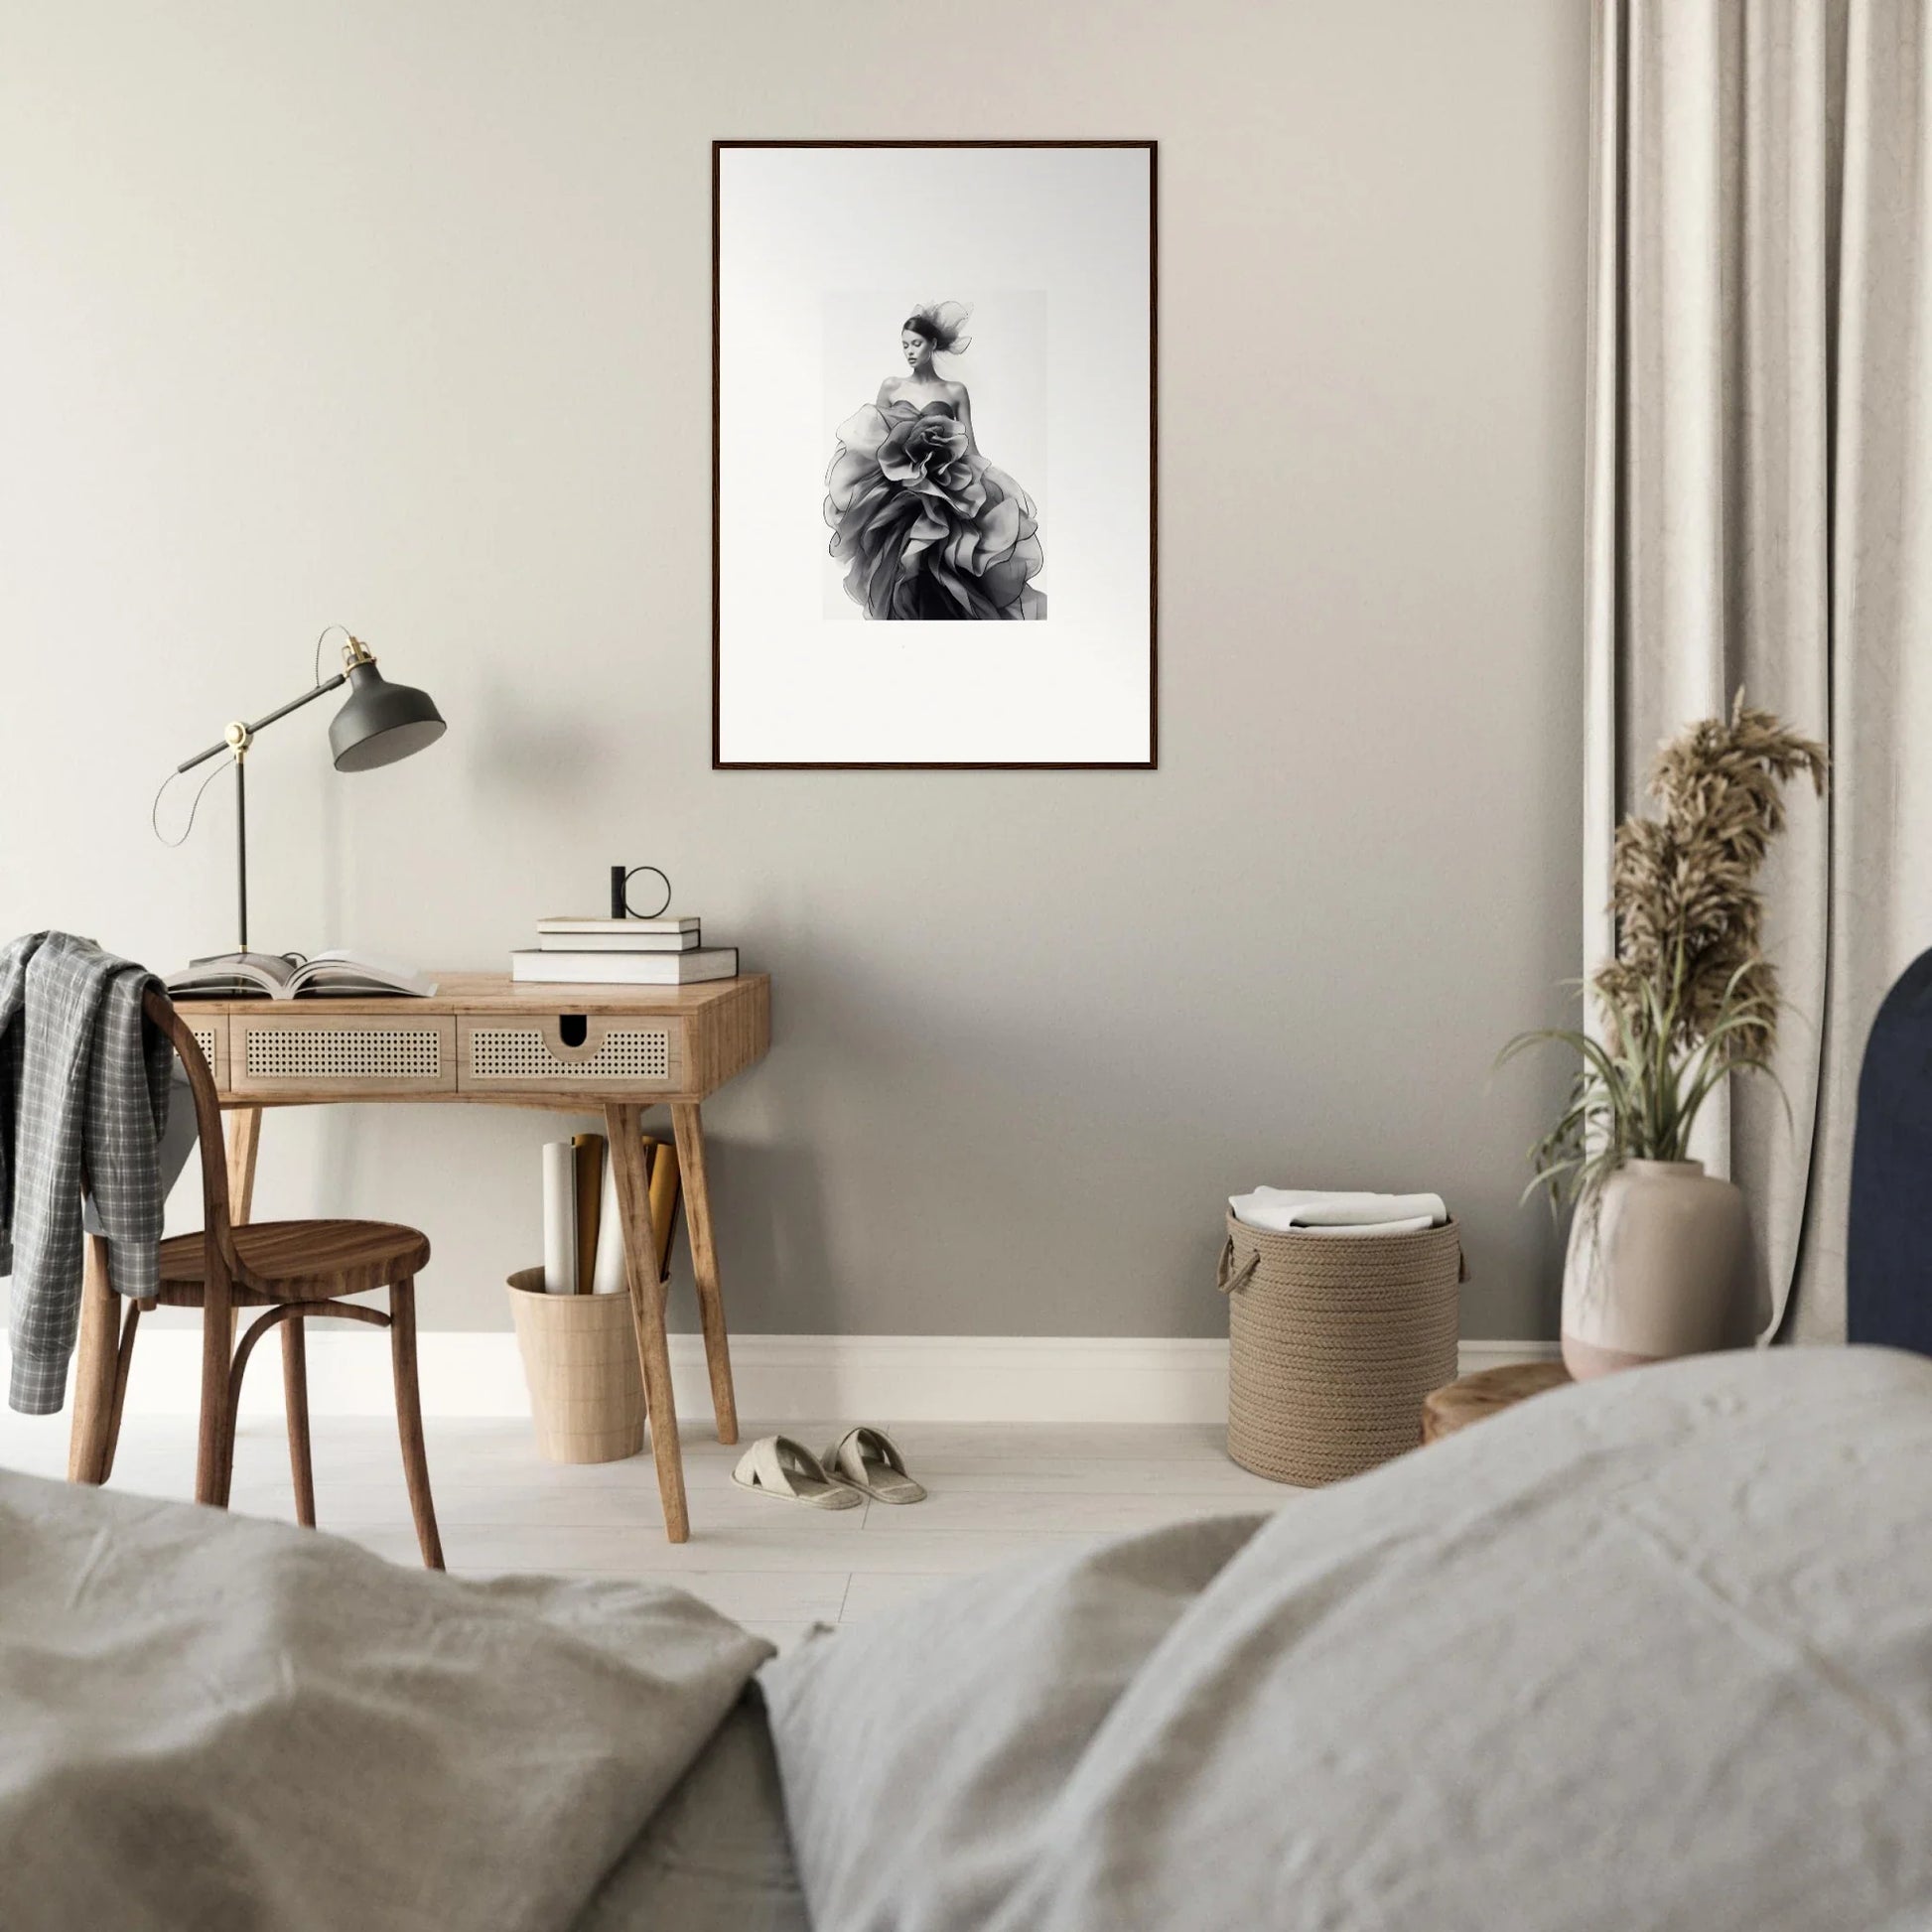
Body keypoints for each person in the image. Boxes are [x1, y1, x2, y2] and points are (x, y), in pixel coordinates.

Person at [824, 302, 1046, 621]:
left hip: (945, 493)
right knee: (901, 571)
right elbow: (874, 439)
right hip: (900, 497)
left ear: (933, 345)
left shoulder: (955, 391)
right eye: (904, 345)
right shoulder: (891, 387)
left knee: (943, 571)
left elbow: (969, 446)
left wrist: (987, 490)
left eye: (916, 344)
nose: (909, 351)